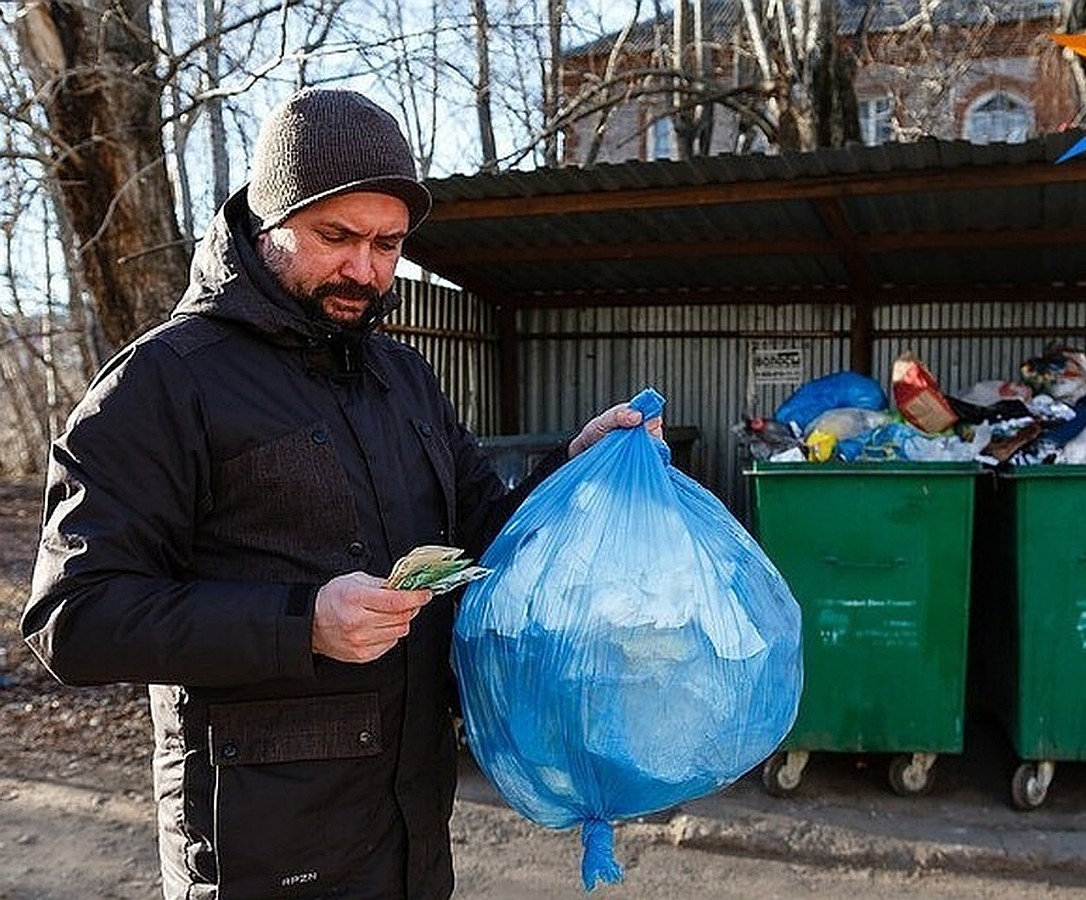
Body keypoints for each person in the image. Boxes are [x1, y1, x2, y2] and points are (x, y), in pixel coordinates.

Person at [22, 87, 660, 900]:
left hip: (409, 830)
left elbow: (484, 535)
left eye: (389, 245)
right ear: (267, 221)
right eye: (336, 237)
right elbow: (73, 619)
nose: (365, 269)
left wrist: (576, 471)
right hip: (262, 845)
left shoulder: (402, 378)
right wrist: (303, 623)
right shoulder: (164, 381)